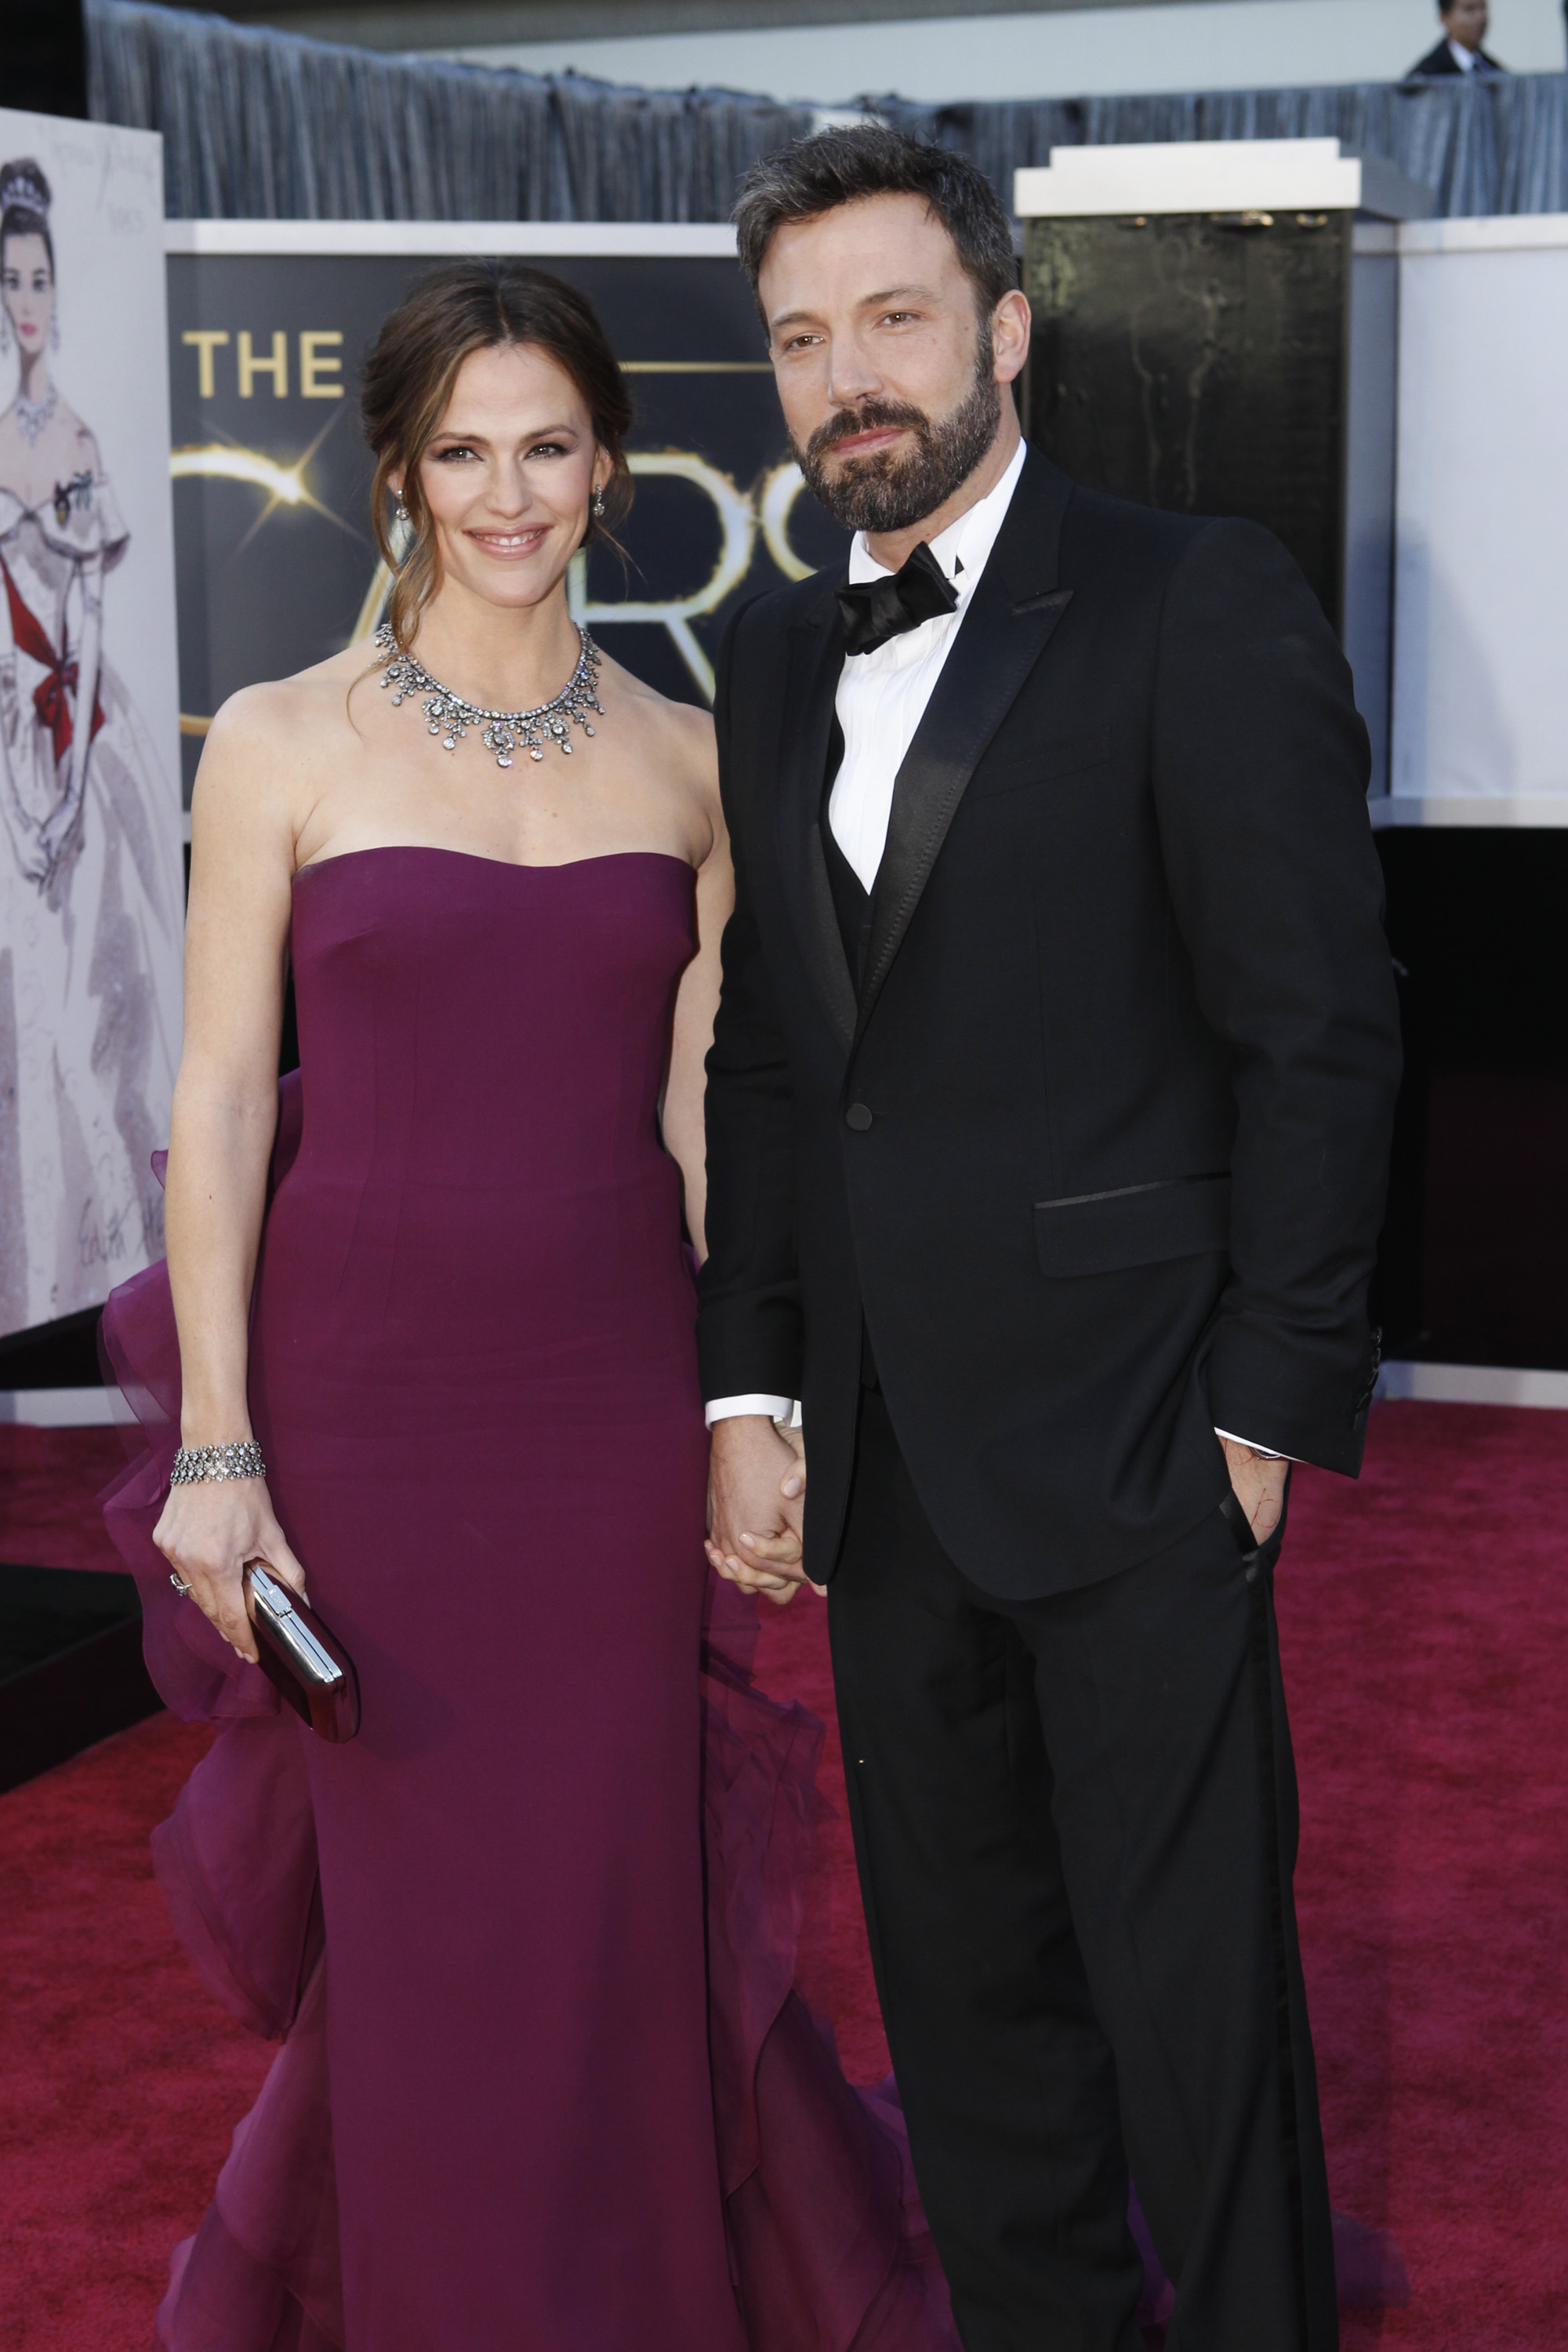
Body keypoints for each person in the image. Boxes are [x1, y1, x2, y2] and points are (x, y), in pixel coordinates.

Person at [101, 260, 959, 2352]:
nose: (508, 493)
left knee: (601, 1902)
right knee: (421, 1929)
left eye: (548, 445)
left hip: (600, 1402)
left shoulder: (685, 761)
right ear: (399, 473)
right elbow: (218, 1102)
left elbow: (702, 1129)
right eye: (462, 451)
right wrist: (218, 1445)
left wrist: (744, 1410)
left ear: (610, 465)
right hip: (361, 1410)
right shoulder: (283, 745)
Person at [701, 125, 1402, 2352]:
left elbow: (1319, 1028)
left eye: (894, 319)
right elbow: (777, 1068)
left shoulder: (1192, 594)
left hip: (1140, 1443)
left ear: (1005, 328)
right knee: (974, 2020)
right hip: (892, 1469)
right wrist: (752, 1379)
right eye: (803, 340)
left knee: (1198, 2023)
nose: (850, 381)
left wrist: (1271, 1405)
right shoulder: (769, 650)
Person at [0, 155, 180, 1333]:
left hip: (77, 736)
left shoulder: (75, 432)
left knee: (92, 1007)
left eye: (37, 278)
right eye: (8, 280)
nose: (25, 300)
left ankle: (87, 1270)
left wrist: (64, 796)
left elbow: (98, 606)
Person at [1407, 0, 1507, 76]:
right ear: (1444, 18)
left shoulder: (1494, 71)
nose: (1481, 17)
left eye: (1483, 8)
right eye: (1469, 9)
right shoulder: (1427, 76)